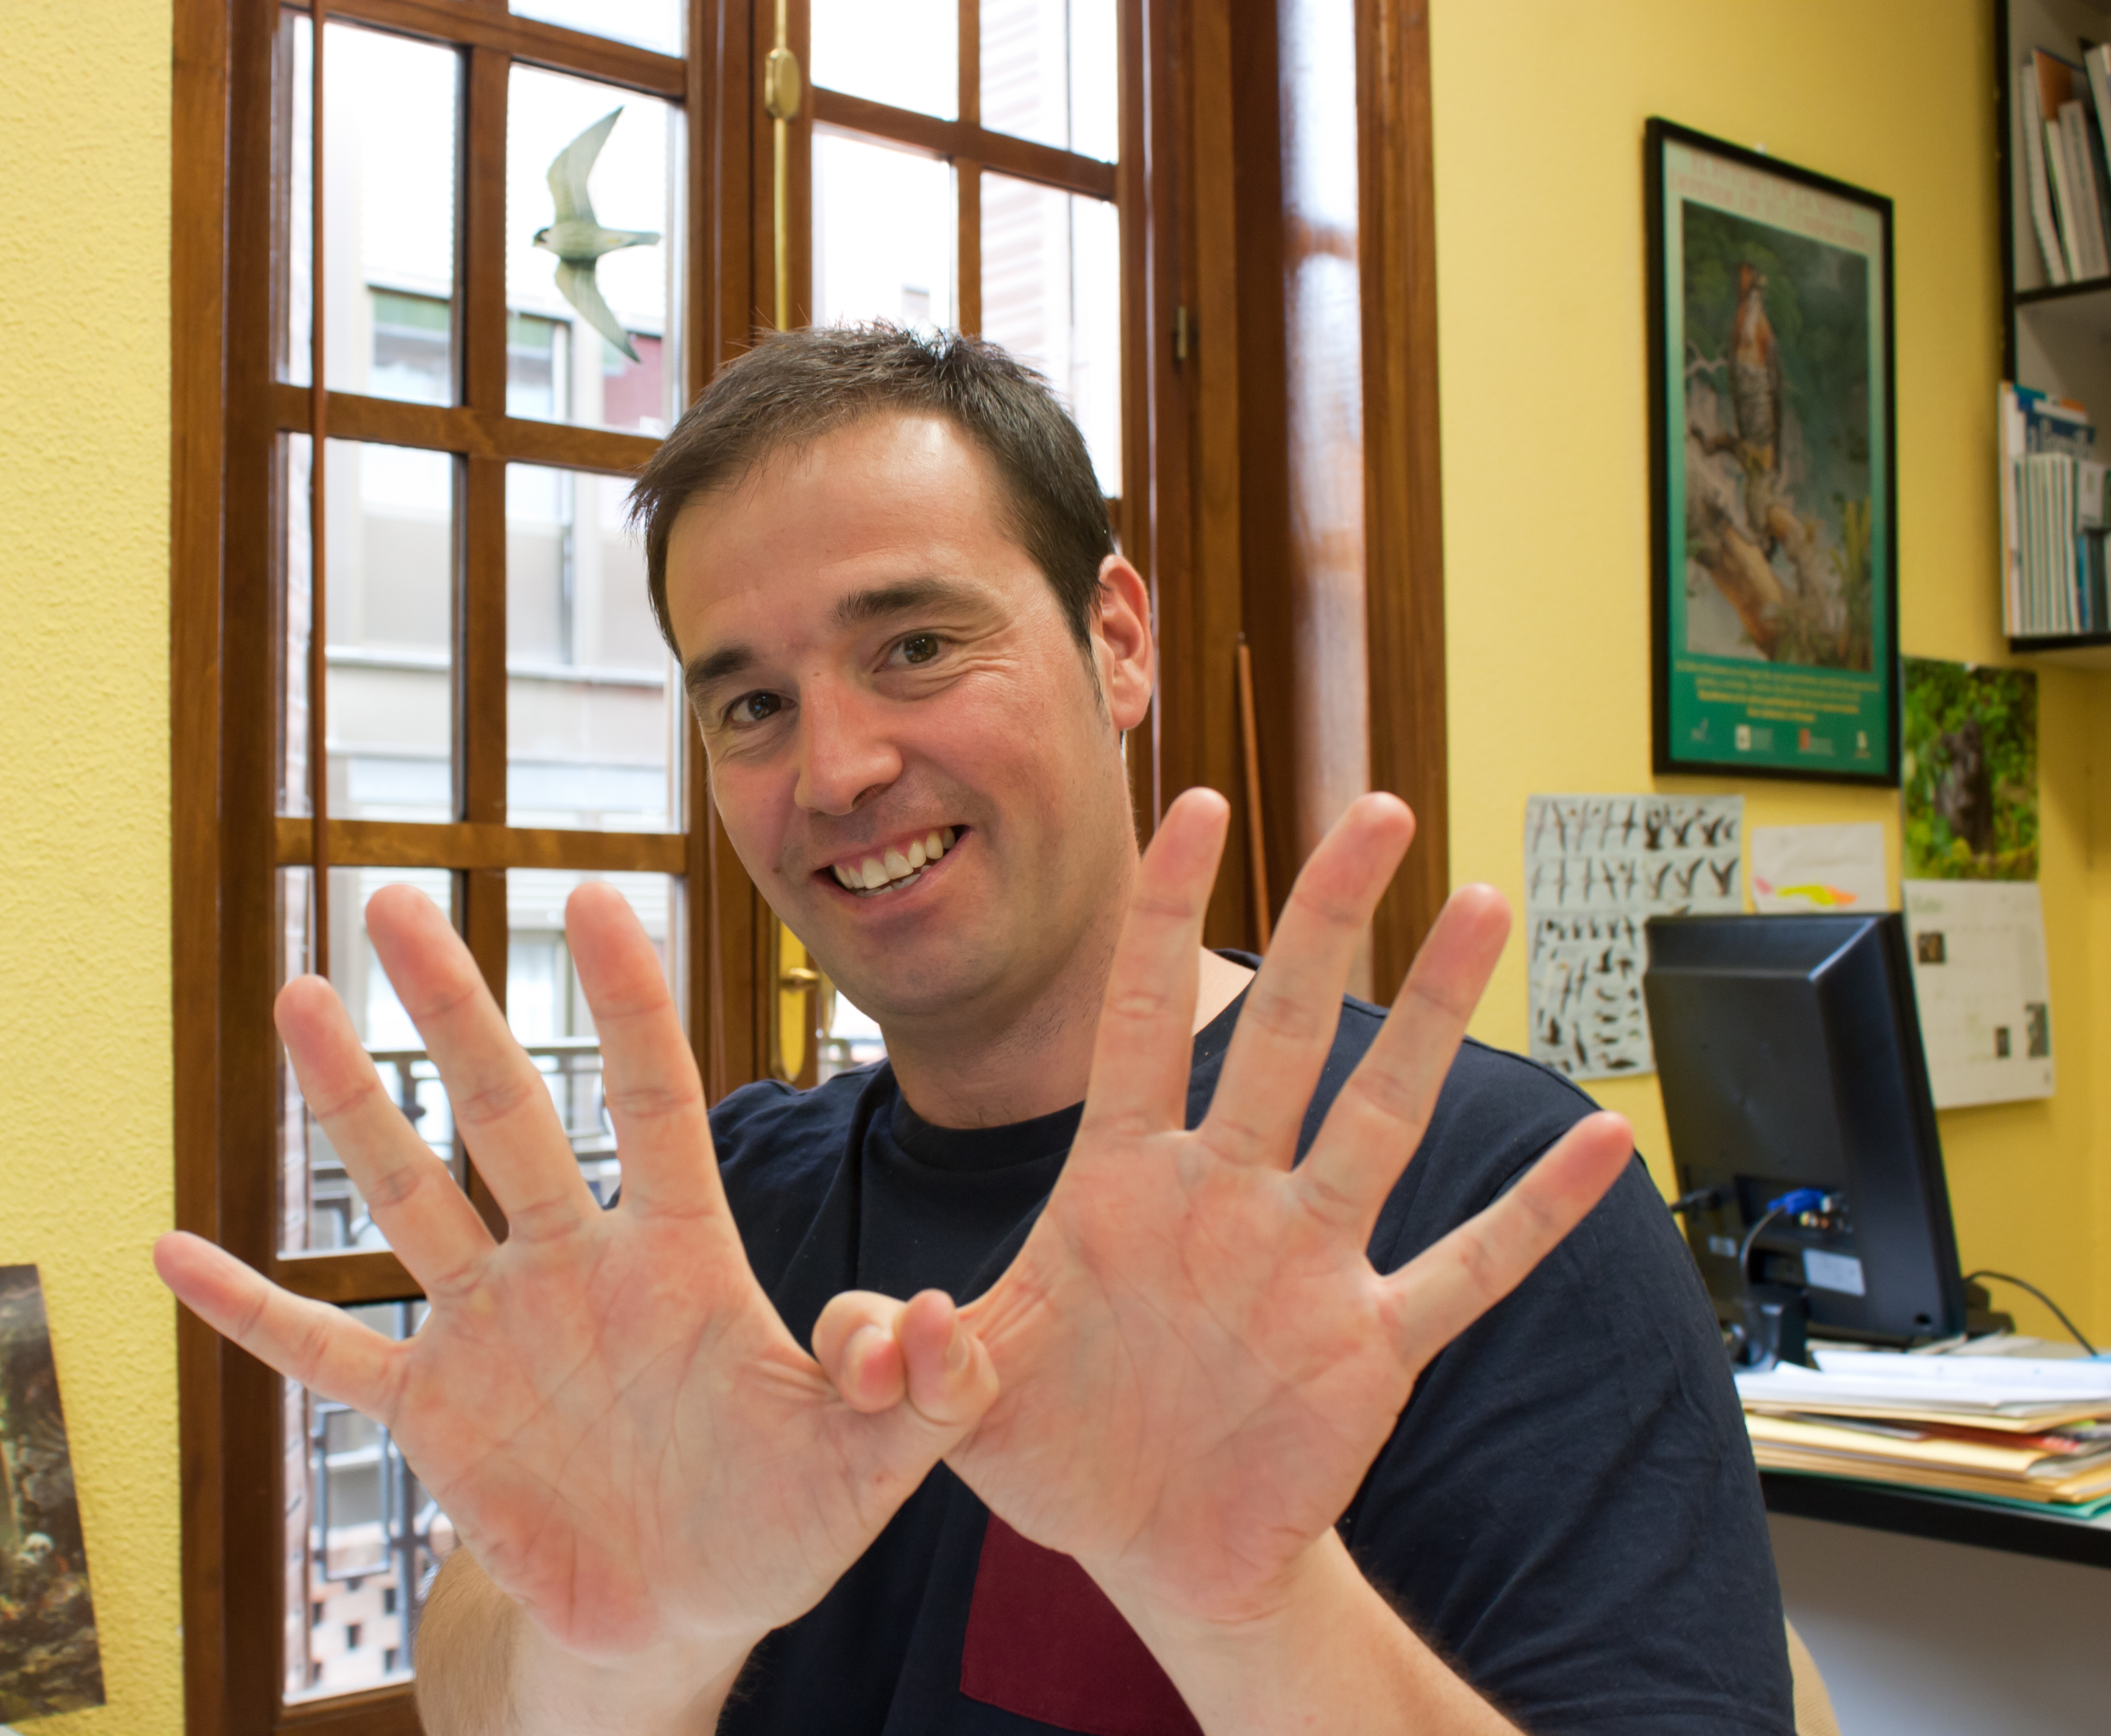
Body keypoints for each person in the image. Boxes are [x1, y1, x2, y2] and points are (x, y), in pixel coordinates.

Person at [155, 328, 1793, 1735]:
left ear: (1117, 641)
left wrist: (1252, 1612)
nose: (838, 769)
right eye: (753, 704)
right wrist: (627, 1646)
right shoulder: (726, 1205)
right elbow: (491, 1678)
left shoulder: (1474, 1202)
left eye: (916, 646)